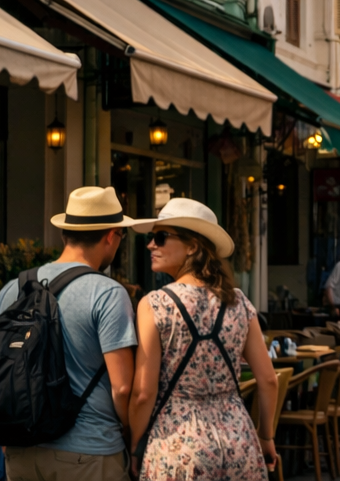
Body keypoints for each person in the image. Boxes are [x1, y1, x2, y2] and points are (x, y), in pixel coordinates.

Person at [0, 187, 141, 481]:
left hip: (22, 449)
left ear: (66, 234)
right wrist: (132, 439)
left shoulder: (14, 288)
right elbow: (122, 388)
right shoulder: (107, 293)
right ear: (110, 235)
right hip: (90, 452)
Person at [128, 199, 279, 480]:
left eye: (160, 238)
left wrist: (135, 444)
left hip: (178, 443)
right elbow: (269, 380)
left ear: (193, 246)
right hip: (238, 439)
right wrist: (266, 436)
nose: (151, 245)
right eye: (151, 238)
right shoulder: (239, 302)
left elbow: (143, 394)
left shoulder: (154, 304)